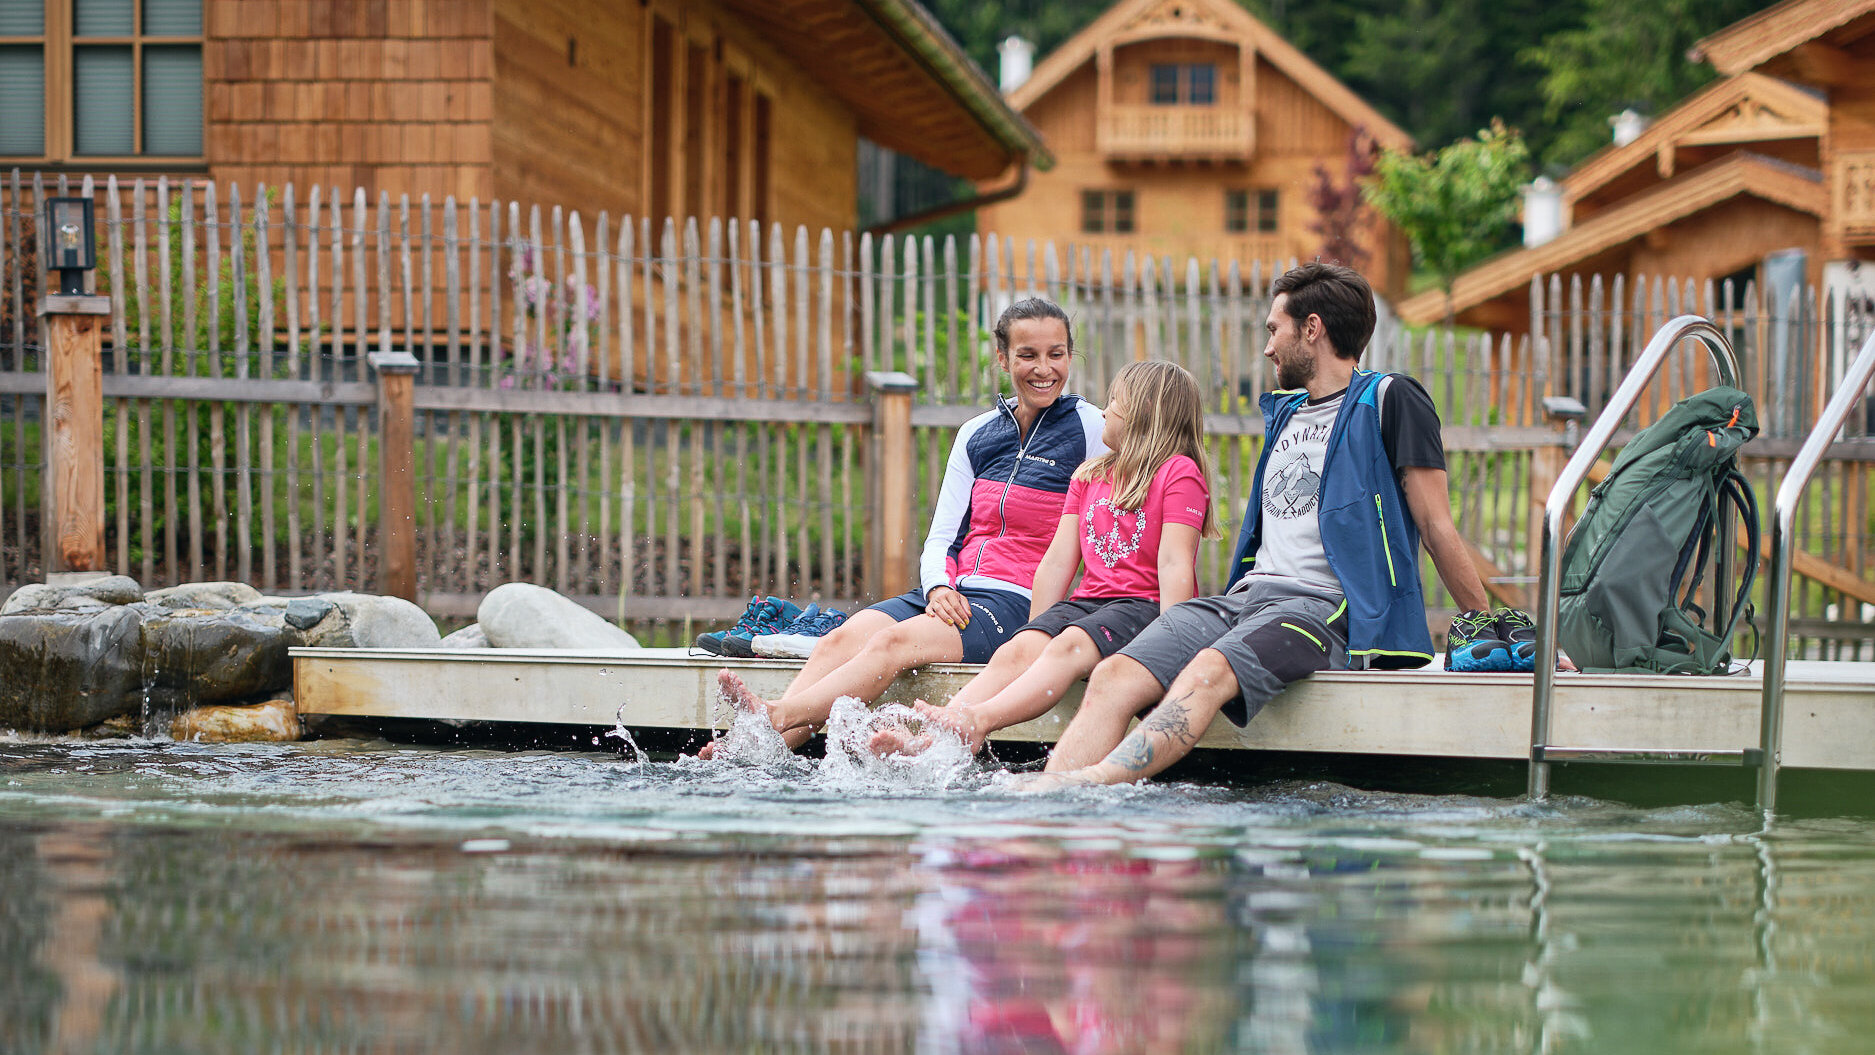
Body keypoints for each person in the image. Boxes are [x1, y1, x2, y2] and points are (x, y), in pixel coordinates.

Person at [1023, 262, 1503, 788]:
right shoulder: (1288, 412)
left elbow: (1435, 525)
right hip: (1246, 598)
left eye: (1275, 329)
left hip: (1322, 608)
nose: (1268, 347)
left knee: (1208, 671)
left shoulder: (1390, 399)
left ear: (1312, 328)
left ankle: (1092, 783)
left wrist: (1488, 625)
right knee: (1116, 674)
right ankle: (1046, 798)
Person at [709, 298, 1106, 755]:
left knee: (892, 642)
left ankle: (776, 715)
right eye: (1027, 355)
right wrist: (937, 587)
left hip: (1014, 602)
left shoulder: (1090, 428)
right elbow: (942, 536)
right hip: (952, 591)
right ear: (1002, 357)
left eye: (1056, 354)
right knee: (841, 637)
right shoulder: (977, 433)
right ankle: (759, 749)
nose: (1044, 369)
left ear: (1070, 356)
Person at [869, 359, 1218, 758]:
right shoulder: (1090, 476)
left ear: (1144, 413)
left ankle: (978, 720)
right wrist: (1034, 635)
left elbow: (1175, 564)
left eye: (1116, 401)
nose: (1104, 411)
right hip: (1089, 605)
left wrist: (1172, 646)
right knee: (1017, 651)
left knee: (1068, 645)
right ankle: (931, 740)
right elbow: (1056, 563)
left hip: (1143, 607)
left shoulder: (1179, 473)